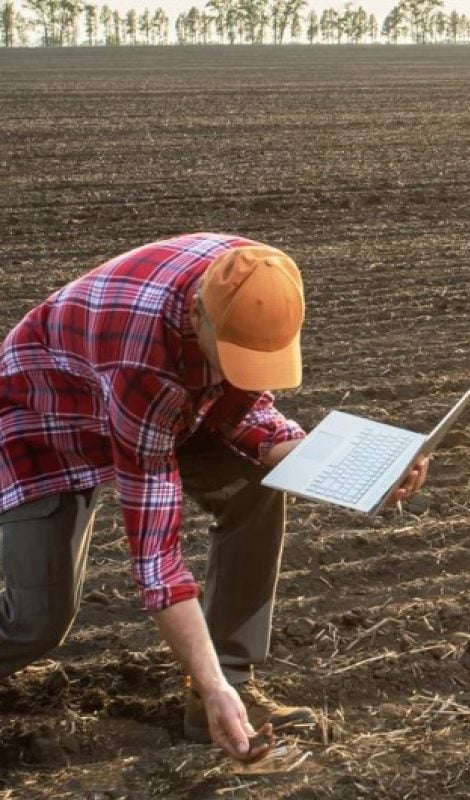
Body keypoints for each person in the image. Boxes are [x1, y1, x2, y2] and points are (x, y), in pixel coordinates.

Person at [0, 232, 429, 763]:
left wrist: (366, 472)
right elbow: (156, 558)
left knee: (256, 485)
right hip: (44, 423)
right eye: (231, 358)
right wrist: (205, 679)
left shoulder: (257, 278)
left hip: (163, 403)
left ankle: (223, 692)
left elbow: (250, 416)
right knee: (37, 621)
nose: (235, 375)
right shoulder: (143, 366)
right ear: (200, 317)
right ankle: (215, 690)